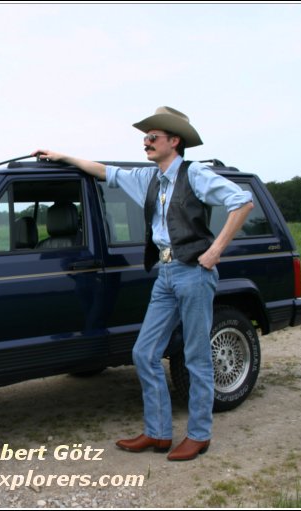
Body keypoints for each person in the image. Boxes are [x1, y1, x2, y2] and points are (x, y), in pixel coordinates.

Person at [34, 106, 254, 461]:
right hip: (165, 274)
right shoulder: (148, 178)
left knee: (196, 357)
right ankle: (158, 433)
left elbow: (242, 201)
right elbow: (105, 171)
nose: (146, 143)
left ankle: (199, 435)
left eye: (153, 137)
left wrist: (215, 252)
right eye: (145, 137)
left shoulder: (195, 173)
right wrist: (64, 156)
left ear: (174, 140)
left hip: (194, 273)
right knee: (144, 352)